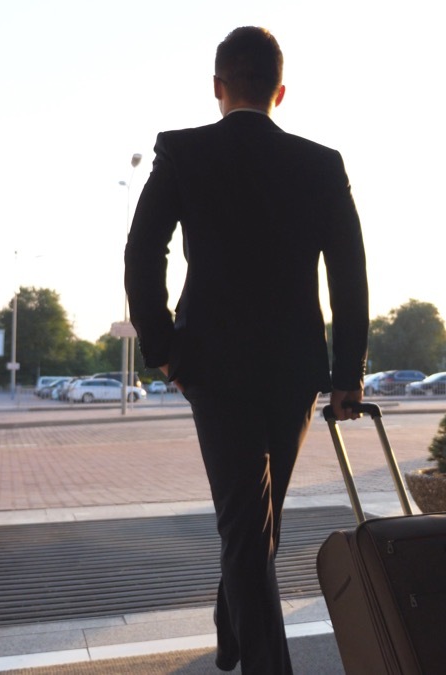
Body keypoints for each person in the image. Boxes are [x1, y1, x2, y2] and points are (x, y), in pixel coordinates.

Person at [123, 26, 368, 674]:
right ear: (280, 92)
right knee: (251, 522)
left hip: (212, 365)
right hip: (294, 369)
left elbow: (142, 251)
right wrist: (347, 373)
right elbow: (349, 273)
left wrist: (164, 349)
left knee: (251, 522)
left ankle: (233, 627)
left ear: (217, 86)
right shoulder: (321, 164)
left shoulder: (184, 152)